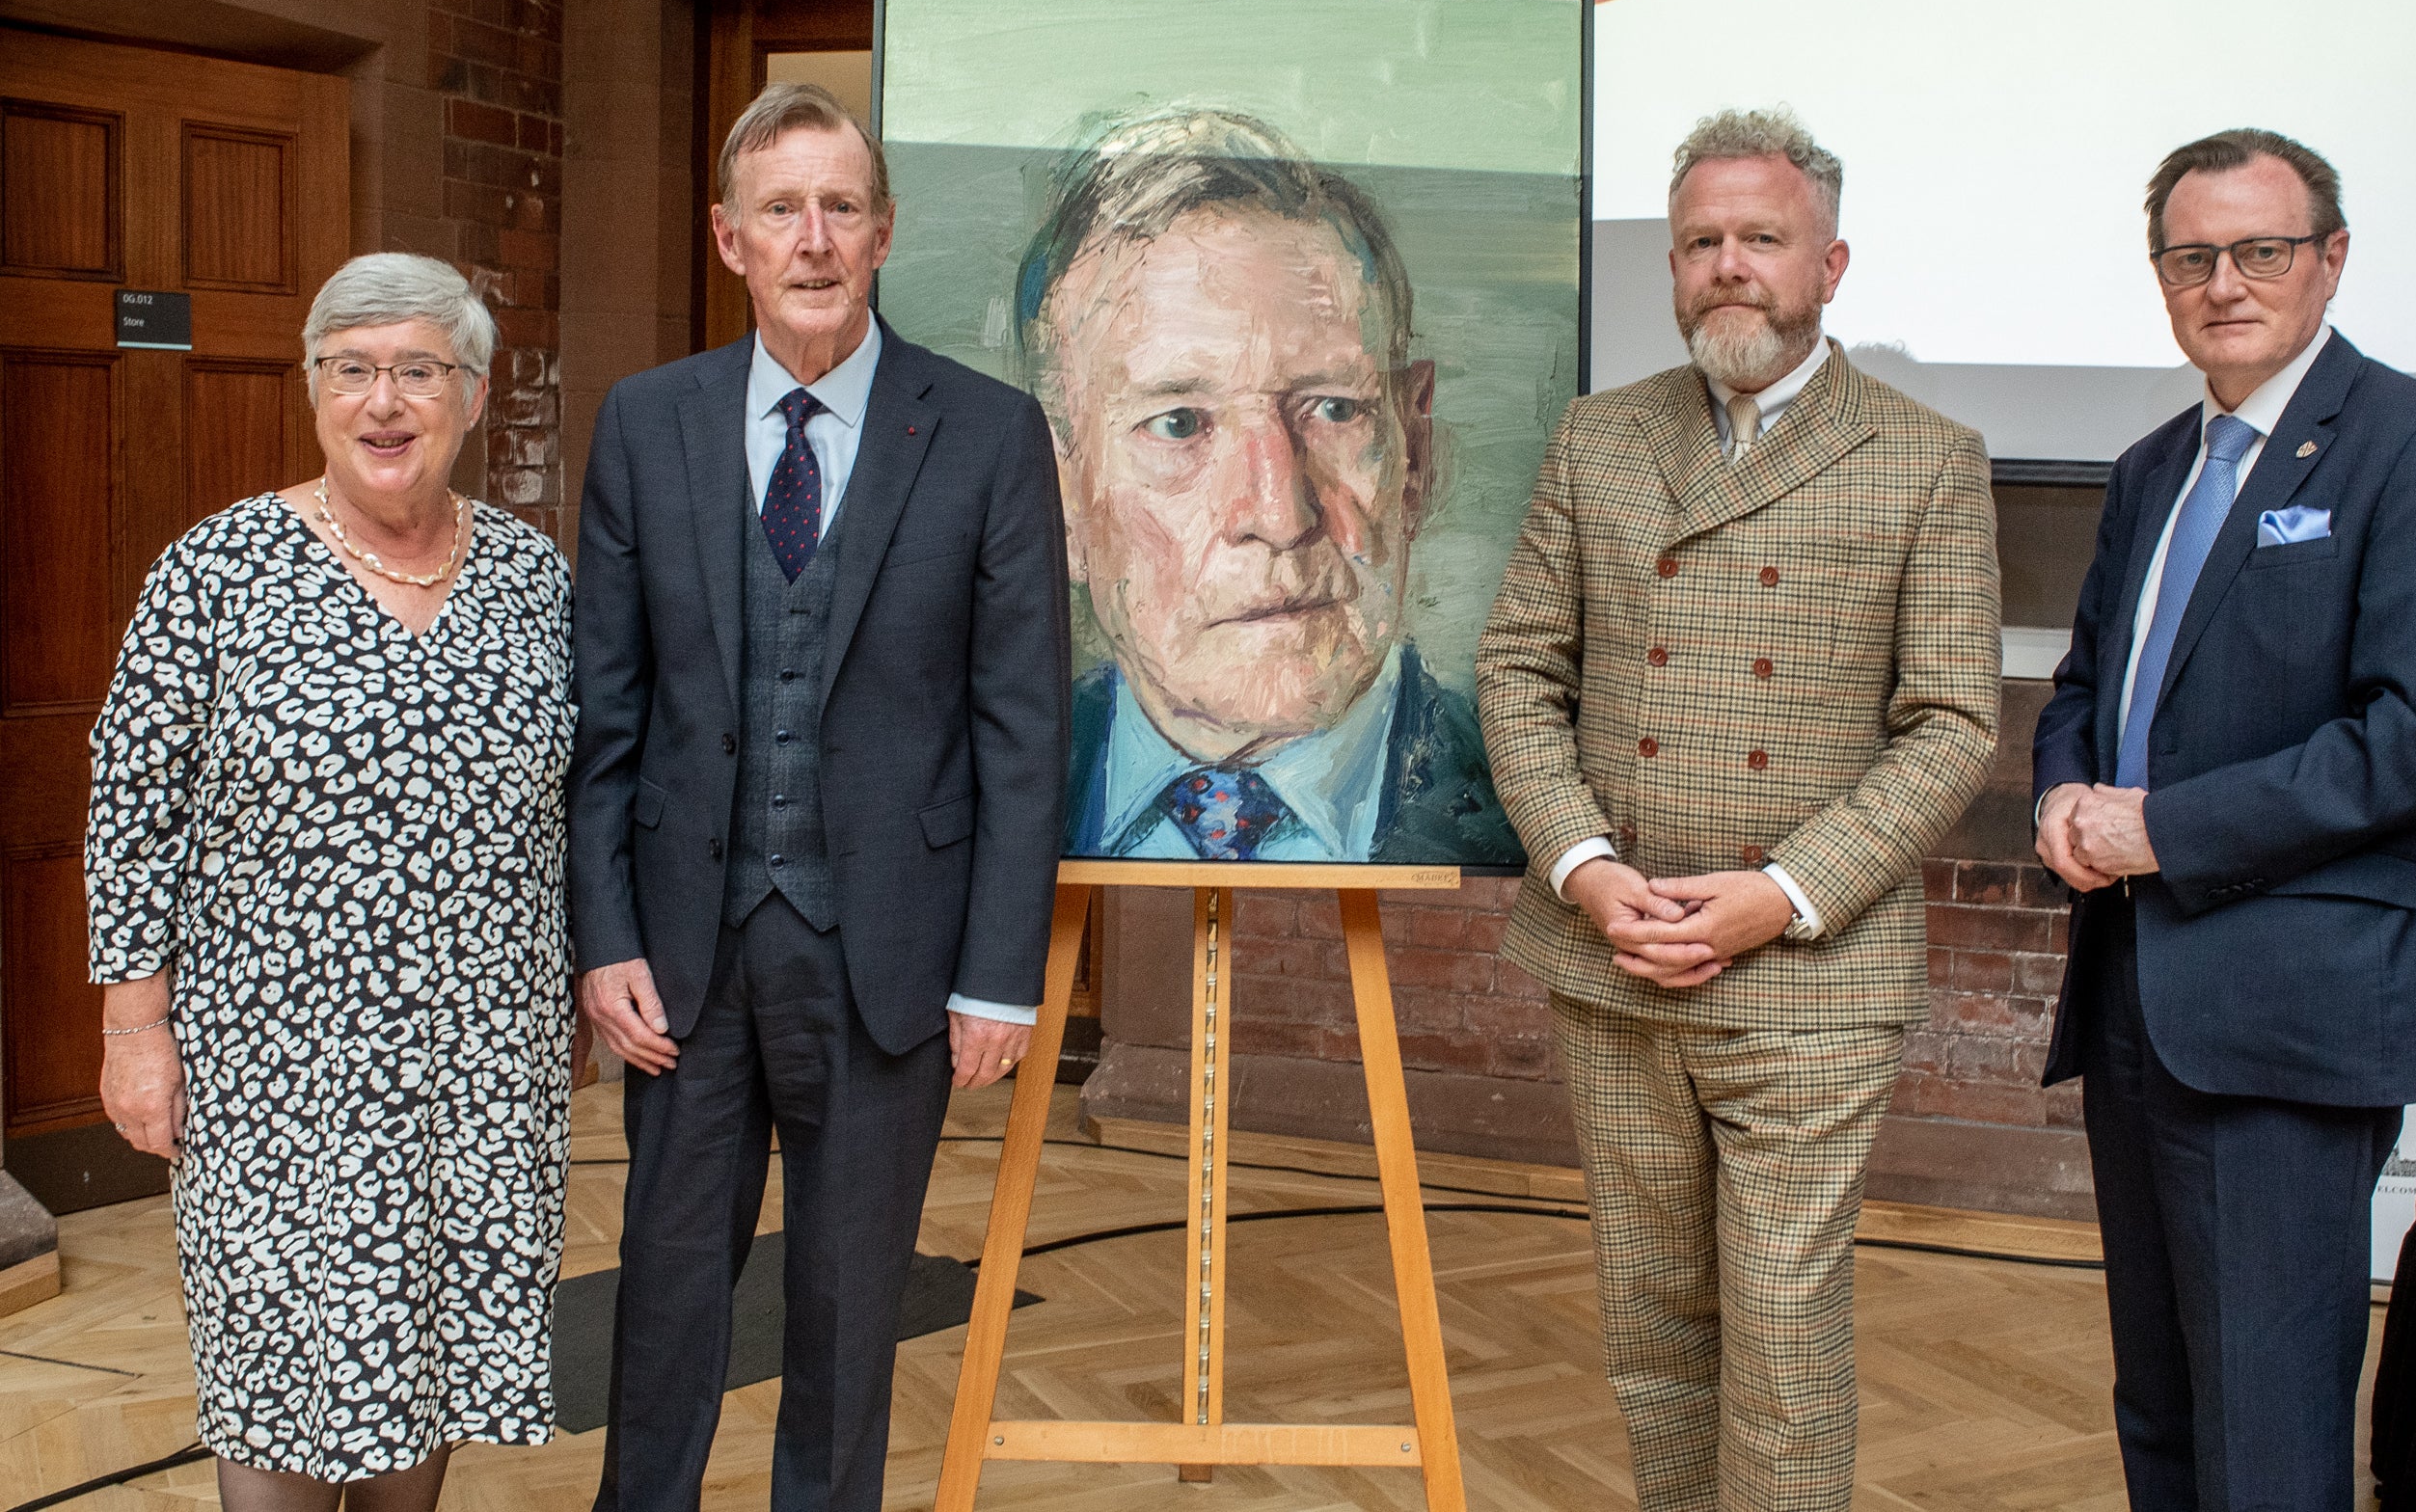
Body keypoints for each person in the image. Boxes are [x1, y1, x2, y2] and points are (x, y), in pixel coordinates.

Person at [1476, 108, 2001, 1510]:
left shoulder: (1925, 455)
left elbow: (1951, 721)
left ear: (1830, 261)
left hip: (1809, 972)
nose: (1728, 267)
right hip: (1616, 950)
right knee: (1653, 1326)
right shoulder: (1600, 438)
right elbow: (1521, 667)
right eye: (1700, 241)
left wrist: (1784, 891)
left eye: (1760, 239)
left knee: (1780, 1337)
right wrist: (1588, 869)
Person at [571, 82, 1069, 1511]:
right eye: (781, 209)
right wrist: (603, 939)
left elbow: (1020, 724)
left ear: (885, 232)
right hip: (679, 954)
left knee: (853, 1309)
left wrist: (999, 974)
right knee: (663, 1293)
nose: (813, 237)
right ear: (729, 238)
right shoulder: (646, 422)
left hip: (891, 954)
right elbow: (607, 717)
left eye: (840, 206)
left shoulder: (983, 433)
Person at [2032, 128, 2416, 1512]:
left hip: (2286, 1013)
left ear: (2330, 258)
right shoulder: (2148, 468)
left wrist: (2159, 829)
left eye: (2261, 250)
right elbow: (2084, 684)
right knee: (2163, 1404)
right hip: (2134, 991)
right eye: (2192, 255)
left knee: (2270, 1428)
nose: (2224, 281)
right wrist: (2066, 789)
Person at [87, 253, 576, 1510]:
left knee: (434, 1358)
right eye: (351, 370)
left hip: (479, 1068)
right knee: (278, 1379)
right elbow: (131, 807)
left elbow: (589, 798)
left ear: (471, 391)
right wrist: (134, 1026)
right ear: (313, 392)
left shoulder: (536, 584)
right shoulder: (216, 574)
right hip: (276, 1080)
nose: (384, 400)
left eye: (418, 369)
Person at [1017, 104, 1520, 866]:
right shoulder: (982, 793)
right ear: (1060, 497)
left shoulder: (1522, 805)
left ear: (1413, 451)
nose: (1280, 513)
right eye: (1180, 423)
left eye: (1334, 409)